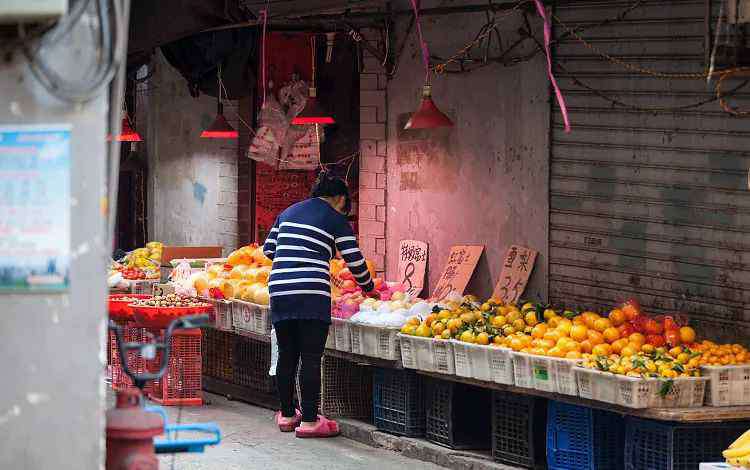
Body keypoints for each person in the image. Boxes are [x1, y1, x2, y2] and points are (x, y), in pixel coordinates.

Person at [263, 171, 377, 438]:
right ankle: (311, 421)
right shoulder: (334, 219)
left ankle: (288, 415)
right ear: (339, 198)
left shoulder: (289, 212)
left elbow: (269, 250)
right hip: (311, 292)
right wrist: (370, 289)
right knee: (311, 357)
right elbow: (355, 261)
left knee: (287, 354)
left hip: (279, 289)